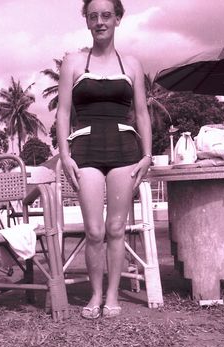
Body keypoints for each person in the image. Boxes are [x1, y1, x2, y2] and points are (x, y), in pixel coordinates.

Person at [56, 0, 153, 319]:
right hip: (85, 151)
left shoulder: (133, 64)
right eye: (93, 16)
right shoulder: (72, 62)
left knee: (116, 228)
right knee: (94, 230)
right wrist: (65, 155)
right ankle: (95, 293)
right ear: (86, 21)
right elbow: (63, 112)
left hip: (125, 150)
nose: (100, 21)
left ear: (118, 19)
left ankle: (112, 295)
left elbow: (141, 113)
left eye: (106, 15)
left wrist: (148, 154)